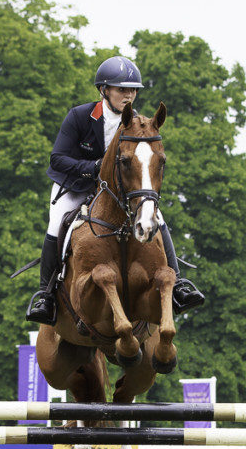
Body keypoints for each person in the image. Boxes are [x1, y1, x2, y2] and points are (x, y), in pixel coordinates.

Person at [25, 55, 205, 324]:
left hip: (118, 191)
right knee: (55, 222)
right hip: (76, 185)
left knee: (157, 217)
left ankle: (178, 283)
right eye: (122, 89)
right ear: (104, 90)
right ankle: (46, 294)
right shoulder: (80, 116)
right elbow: (57, 159)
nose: (129, 95)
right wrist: (94, 167)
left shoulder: (139, 123)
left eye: (132, 90)